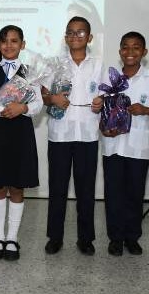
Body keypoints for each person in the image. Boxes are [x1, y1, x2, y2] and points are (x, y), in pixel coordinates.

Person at [0, 25, 43, 261]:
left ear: (22, 44)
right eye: (4, 41)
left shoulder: (31, 72)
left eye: (14, 41)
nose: (9, 45)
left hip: (21, 131)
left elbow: (38, 104)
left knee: (17, 186)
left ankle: (12, 239)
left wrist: (22, 107)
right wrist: (2, 109)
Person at [101, 32, 149, 256]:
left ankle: (132, 237)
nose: (130, 52)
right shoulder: (110, 77)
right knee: (113, 194)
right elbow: (101, 112)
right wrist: (104, 128)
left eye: (136, 48)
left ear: (144, 52)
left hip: (139, 147)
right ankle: (115, 238)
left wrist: (145, 110)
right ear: (120, 51)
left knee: (134, 193)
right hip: (113, 145)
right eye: (125, 48)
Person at [41, 16, 104, 256]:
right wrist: (52, 99)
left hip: (88, 133)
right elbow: (43, 95)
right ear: (65, 37)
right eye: (70, 32)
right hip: (60, 134)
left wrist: (101, 101)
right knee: (57, 188)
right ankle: (54, 237)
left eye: (80, 33)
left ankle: (85, 239)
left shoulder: (98, 65)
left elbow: (105, 95)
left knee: (86, 190)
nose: (74, 37)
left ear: (89, 38)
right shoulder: (54, 64)